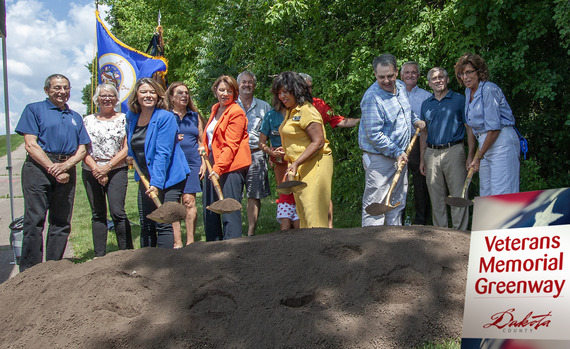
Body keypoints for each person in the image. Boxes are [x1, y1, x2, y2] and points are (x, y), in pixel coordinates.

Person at [15, 74, 91, 272]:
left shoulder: (75, 117)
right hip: (38, 168)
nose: (62, 92)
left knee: (61, 221)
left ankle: (53, 268)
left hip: (67, 167)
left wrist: (65, 167)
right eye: (57, 88)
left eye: (66, 88)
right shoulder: (34, 110)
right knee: (34, 220)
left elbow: (82, 149)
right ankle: (30, 271)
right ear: (47, 90)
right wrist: (52, 167)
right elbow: (31, 145)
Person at [359, 54, 426, 227]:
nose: (386, 80)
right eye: (381, 77)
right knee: (377, 203)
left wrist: (415, 120)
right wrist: (397, 152)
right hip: (380, 159)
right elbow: (374, 135)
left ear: (397, 72)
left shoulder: (402, 87)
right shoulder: (372, 98)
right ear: (375, 74)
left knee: (396, 201)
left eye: (390, 75)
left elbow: (406, 111)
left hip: (400, 155)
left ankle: (392, 246)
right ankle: (372, 248)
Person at [126, 78, 190, 248]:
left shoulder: (165, 117)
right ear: (136, 96)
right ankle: (148, 263)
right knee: (147, 221)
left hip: (169, 177)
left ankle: (165, 265)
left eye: (152, 92)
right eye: (144, 92)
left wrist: (156, 183)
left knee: (163, 221)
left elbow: (163, 153)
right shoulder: (132, 116)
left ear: (158, 95)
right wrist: (130, 156)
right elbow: (132, 142)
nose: (148, 95)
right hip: (146, 176)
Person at [271, 71, 333, 228]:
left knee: (314, 214)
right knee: (303, 213)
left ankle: (322, 249)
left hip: (315, 165)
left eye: (285, 91)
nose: (282, 96)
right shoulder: (291, 111)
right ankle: (309, 250)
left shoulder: (307, 110)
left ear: (296, 89)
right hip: (299, 167)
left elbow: (318, 142)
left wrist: (296, 161)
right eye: (279, 93)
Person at [299, 73, 360, 228]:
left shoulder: (318, 105)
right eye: (303, 87)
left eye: (309, 87)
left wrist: (363, 120)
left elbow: (338, 120)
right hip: (295, 157)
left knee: (322, 192)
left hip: (317, 155)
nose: (307, 90)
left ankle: (329, 227)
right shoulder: (287, 105)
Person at [454, 53, 519, 196]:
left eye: (469, 72)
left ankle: (505, 219)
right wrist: (472, 155)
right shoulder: (468, 91)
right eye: (461, 74)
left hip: (501, 141)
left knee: (502, 193)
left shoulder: (489, 89)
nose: (465, 77)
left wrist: (478, 157)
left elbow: (494, 129)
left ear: (479, 72)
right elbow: (471, 126)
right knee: (486, 193)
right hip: (484, 143)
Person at [82, 84, 133, 257]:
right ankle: (99, 255)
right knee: (98, 213)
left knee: (117, 211)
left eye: (111, 95)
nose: (107, 98)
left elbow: (127, 147)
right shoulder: (87, 120)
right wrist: (97, 169)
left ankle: (126, 253)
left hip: (116, 168)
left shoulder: (124, 119)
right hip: (91, 170)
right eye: (103, 95)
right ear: (97, 98)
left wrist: (108, 167)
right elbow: (82, 148)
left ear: (116, 98)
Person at [419, 67, 470, 230]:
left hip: (454, 150)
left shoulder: (459, 100)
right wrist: (422, 158)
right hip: (431, 153)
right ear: (429, 83)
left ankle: (460, 235)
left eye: (441, 77)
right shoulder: (426, 104)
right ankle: (440, 236)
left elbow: (469, 127)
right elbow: (424, 133)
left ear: (447, 79)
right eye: (434, 78)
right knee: (436, 197)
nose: (438, 80)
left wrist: (470, 155)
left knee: (458, 195)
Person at [202, 75, 251, 241]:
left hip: (231, 166)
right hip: (212, 162)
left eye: (229, 91)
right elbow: (210, 138)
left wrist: (218, 169)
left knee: (229, 209)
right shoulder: (216, 108)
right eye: (222, 90)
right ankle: (213, 247)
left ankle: (232, 247)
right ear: (215, 90)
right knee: (211, 208)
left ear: (235, 93)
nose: (225, 94)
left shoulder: (236, 112)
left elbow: (231, 145)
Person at [165, 81, 206, 247]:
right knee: (175, 204)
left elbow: (202, 142)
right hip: (173, 164)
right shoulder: (166, 116)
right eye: (180, 93)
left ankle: (190, 243)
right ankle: (177, 242)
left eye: (186, 93)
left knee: (189, 201)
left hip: (193, 163)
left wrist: (204, 162)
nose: (184, 96)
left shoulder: (194, 116)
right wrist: (172, 139)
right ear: (172, 97)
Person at [236, 71, 271, 236]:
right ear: (238, 85)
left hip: (256, 154)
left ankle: (251, 231)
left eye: (250, 82)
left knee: (254, 193)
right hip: (234, 155)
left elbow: (272, 131)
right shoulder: (230, 105)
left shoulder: (264, 106)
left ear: (255, 86)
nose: (247, 85)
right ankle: (234, 231)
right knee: (234, 193)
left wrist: (271, 153)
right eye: (243, 82)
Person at [400, 61, 432, 225]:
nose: (410, 75)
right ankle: (398, 219)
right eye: (407, 72)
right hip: (399, 143)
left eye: (414, 72)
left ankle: (421, 221)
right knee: (399, 182)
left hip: (419, 143)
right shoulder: (395, 94)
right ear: (401, 75)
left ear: (418, 76)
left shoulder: (426, 96)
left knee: (420, 183)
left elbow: (427, 125)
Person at [258, 107, 287, 187]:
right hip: (280, 162)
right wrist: (272, 153)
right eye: (280, 94)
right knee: (283, 190)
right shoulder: (271, 115)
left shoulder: (299, 112)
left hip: (299, 160)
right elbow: (261, 142)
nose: (283, 96)